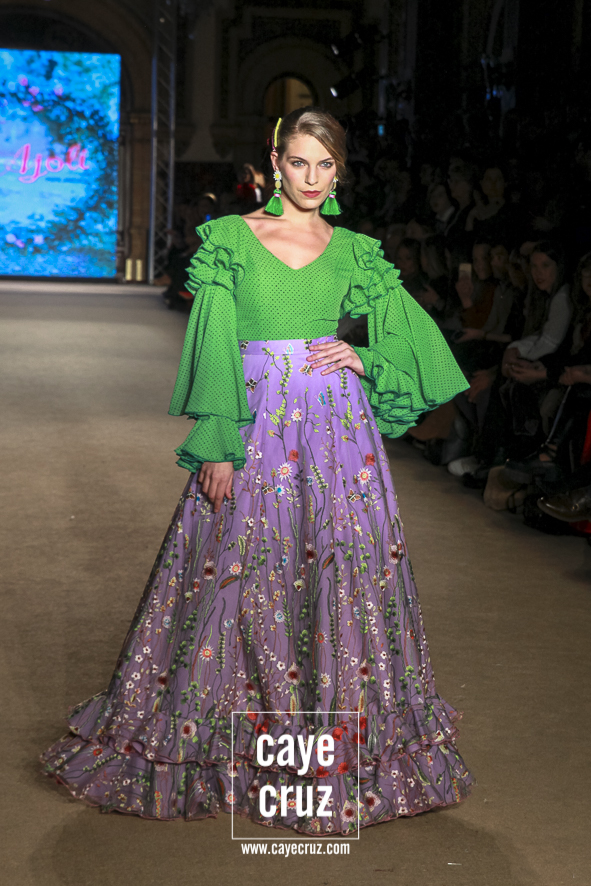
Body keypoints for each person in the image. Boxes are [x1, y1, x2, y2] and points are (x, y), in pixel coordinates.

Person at [41, 107, 473, 833]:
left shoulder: (355, 252)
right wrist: (216, 440)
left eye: (326, 165)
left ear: (339, 171)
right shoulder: (230, 239)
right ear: (276, 163)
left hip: (337, 430)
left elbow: (417, 343)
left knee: (341, 565)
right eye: (299, 162)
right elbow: (212, 339)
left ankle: (331, 743)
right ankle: (226, 744)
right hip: (256, 418)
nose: (312, 178)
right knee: (234, 565)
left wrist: (363, 356)